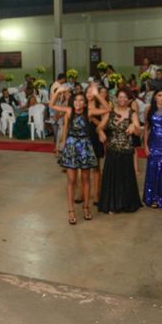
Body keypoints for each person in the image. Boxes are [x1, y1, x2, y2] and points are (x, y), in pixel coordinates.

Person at [50, 83, 109, 224]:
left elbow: (107, 109)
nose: (78, 103)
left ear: (85, 102)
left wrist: (96, 95)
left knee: (85, 179)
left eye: (81, 100)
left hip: (85, 147)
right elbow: (51, 105)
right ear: (73, 101)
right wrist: (58, 91)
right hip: (71, 147)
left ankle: (86, 207)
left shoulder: (89, 111)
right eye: (76, 100)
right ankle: (71, 210)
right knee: (71, 180)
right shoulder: (69, 111)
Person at [96, 88, 142, 214]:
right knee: (112, 179)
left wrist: (134, 126)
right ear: (116, 98)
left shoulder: (132, 113)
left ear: (129, 99)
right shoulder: (110, 112)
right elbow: (99, 127)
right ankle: (111, 204)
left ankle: (126, 204)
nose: (122, 99)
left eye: (125, 97)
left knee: (125, 178)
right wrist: (100, 132)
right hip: (112, 150)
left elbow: (139, 132)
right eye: (120, 97)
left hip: (126, 150)